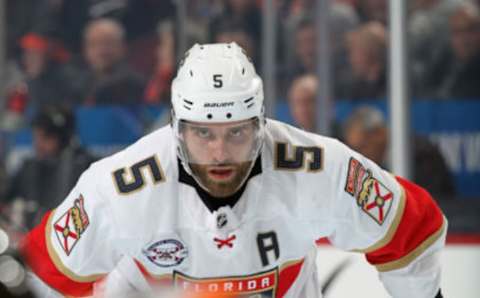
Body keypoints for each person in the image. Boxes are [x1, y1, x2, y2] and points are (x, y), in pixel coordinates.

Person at [22, 43, 446, 298]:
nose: (220, 153)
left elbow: (411, 226)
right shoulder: (116, 188)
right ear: (176, 127)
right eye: (203, 134)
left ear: (261, 124)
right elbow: (43, 273)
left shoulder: (318, 166)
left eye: (237, 133)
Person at [5, 106, 96, 230]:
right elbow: (5, 197)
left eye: (46, 138)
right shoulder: (28, 168)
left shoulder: (86, 168)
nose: (38, 144)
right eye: (36, 137)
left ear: (64, 138)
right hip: (31, 239)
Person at [342, 105, 455, 198]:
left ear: (380, 134)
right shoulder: (367, 165)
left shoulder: (421, 155)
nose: (360, 156)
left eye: (362, 147)